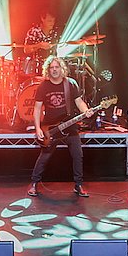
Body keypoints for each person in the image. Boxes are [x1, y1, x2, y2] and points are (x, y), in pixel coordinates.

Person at [27, 55, 94, 198]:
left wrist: (86, 111)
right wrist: (38, 128)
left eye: (57, 67)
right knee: (45, 156)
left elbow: (79, 102)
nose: (54, 70)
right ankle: (34, 184)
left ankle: (78, 185)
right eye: (51, 68)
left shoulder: (70, 83)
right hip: (51, 128)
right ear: (48, 70)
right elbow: (37, 109)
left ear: (62, 68)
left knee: (78, 155)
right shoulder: (43, 86)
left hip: (69, 126)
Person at [21, 11, 60, 77]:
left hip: (53, 66)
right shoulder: (34, 31)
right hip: (36, 67)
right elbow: (26, 50)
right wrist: (39, 45)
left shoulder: (56, 32)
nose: (52, 23)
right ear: (42, 19)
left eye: (53, 21)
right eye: (49, 21)